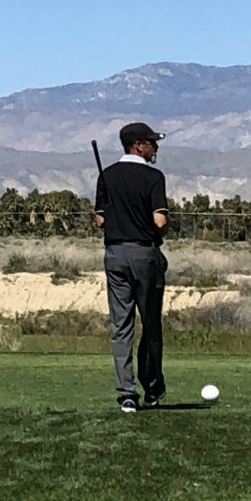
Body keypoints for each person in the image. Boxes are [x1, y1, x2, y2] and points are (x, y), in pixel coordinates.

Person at [95, 121, 169, 412]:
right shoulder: (153, 177)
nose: (155, 147)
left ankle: (126, 393)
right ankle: (152, 388)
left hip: (114, 255)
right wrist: (160, 232)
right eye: (151, 142)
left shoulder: (107, 176)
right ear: (138, 145)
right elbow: (159, 221)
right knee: (150, 323)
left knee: (121, 326)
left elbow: (100, 219)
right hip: (144, 254)